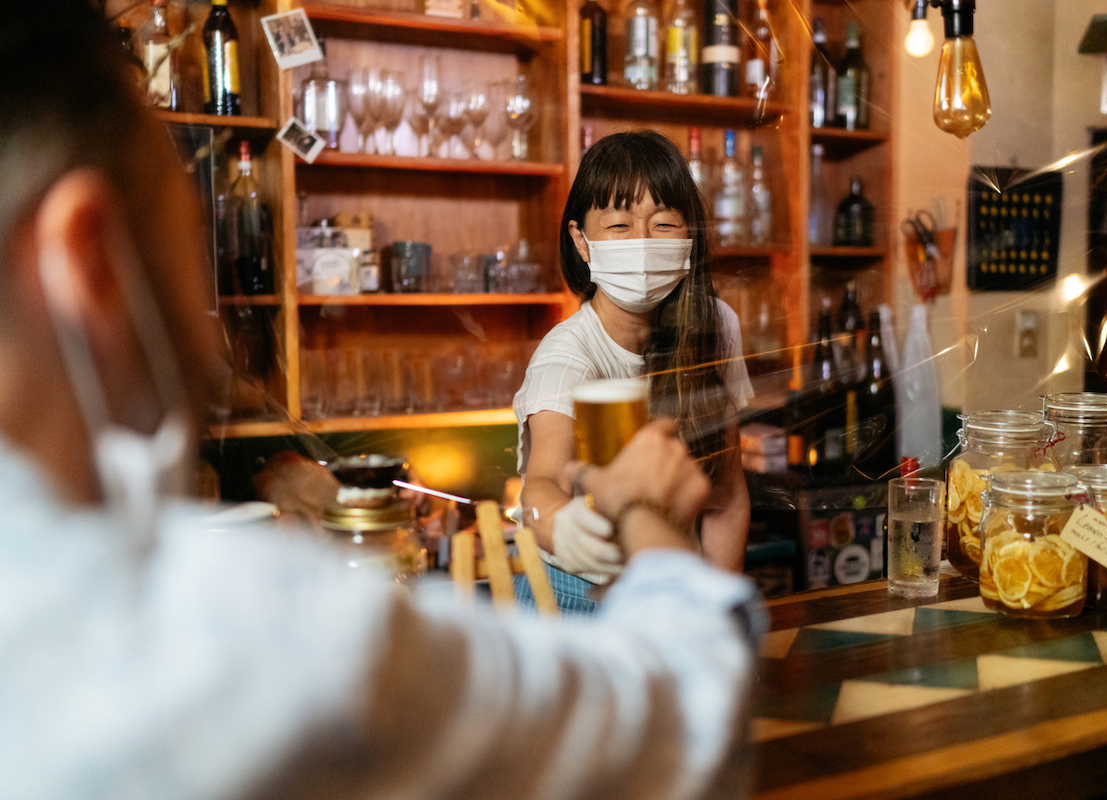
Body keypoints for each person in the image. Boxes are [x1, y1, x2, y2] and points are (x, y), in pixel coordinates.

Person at [0, 5, 758, 799]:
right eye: (186, 227)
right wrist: (637, 511)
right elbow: (677, 731)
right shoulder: (250, 625)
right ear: (83, 259)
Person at [514, 131, 753, 614]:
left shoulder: (715, 326)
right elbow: (541, 485)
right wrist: (562, 525)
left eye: (663, 223)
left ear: (689, 236)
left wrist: (714, 610)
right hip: (574, 594)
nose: (643, 241)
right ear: (581, 241)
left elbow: (725, 496)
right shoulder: (567, 354)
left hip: (674, 588)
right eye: (620, 225)